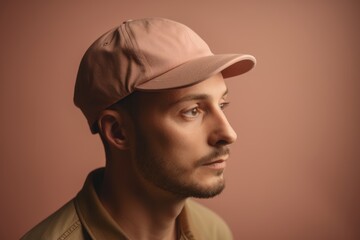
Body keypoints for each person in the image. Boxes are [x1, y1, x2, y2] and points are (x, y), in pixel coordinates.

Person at [21, 17, 256, 240]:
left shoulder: (213, 232)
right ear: (118, 131)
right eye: (192, 111)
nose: (228, 134)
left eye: (221, 105)